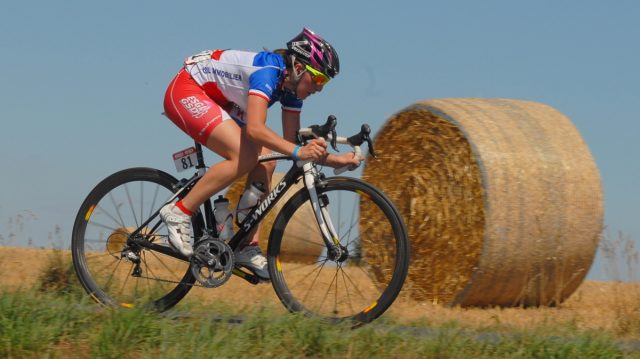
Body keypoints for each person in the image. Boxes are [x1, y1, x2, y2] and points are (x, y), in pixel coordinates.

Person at [160, 28, 361, 280]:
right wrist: (300, 150)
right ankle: (179, 211)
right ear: (299, 66)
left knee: (267, 160)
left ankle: (246, 244)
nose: (320, 89)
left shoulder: (291, 91)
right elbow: (256, 130)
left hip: (220, 100)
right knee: (244, 155)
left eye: (326, 83)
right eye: (319, 79)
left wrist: (335, 160)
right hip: (188, 88)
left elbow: (290, 145)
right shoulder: (268, 72)